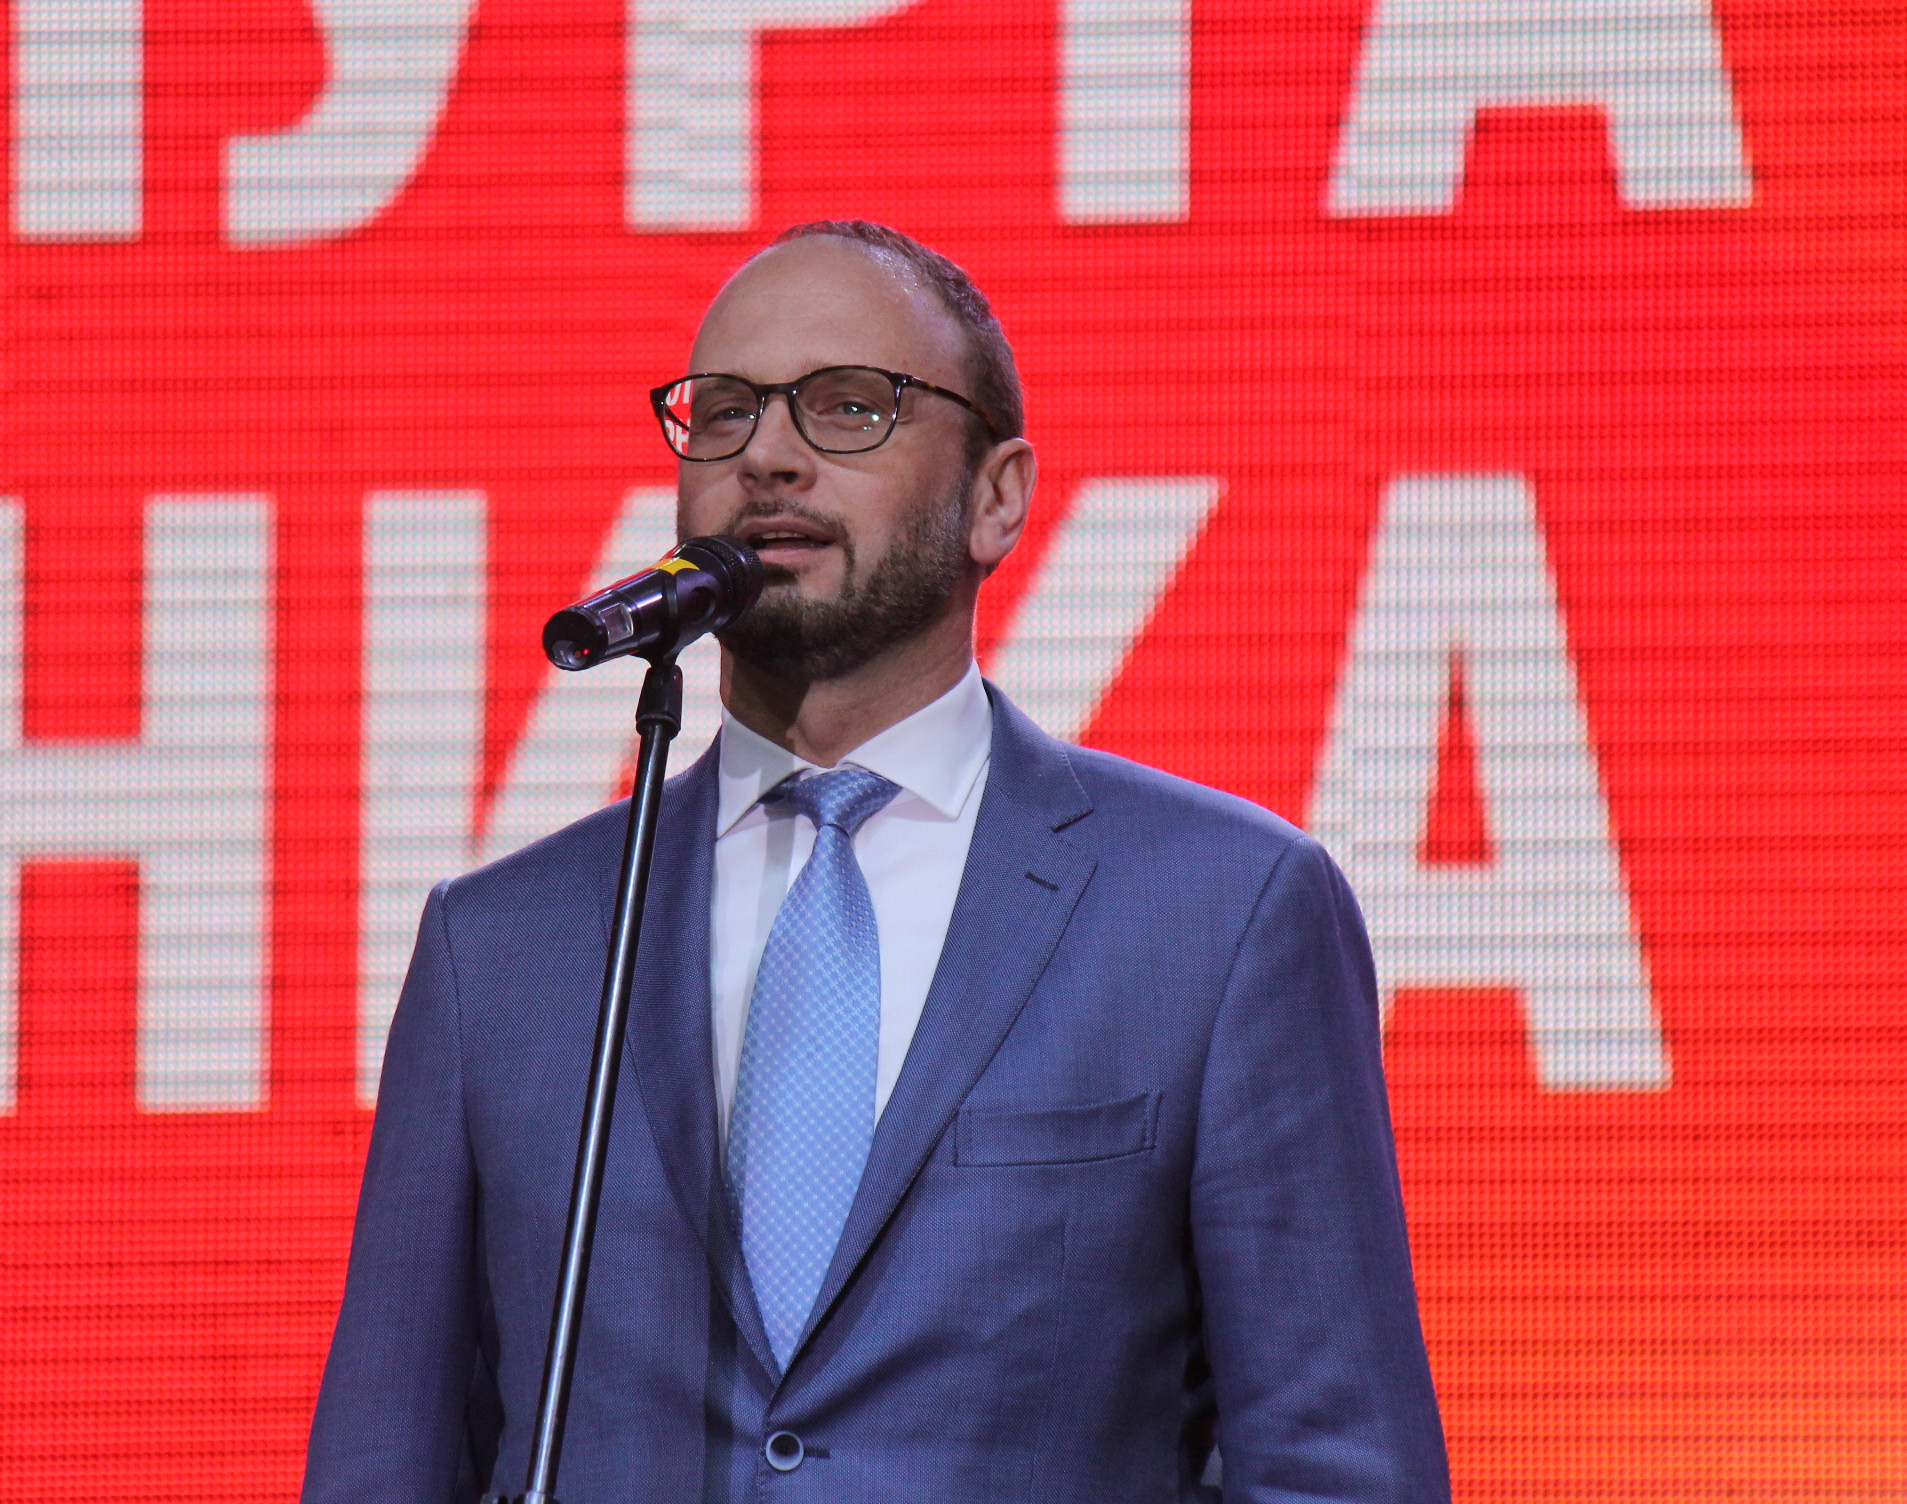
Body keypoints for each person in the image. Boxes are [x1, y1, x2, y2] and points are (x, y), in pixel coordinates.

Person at [302, 221, 1450, 1503]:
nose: (767, 455)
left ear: (996, 496)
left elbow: (1338, 1468)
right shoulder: (501, 949)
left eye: (850, 406)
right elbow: (382, 1465)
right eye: (724, 412)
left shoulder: (1222, 913)